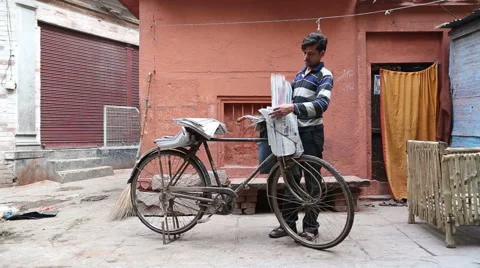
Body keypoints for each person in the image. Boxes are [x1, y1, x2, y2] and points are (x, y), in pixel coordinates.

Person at [267, 32, 333, 241]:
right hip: (293, 133)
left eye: (311, 54)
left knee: (312, 180)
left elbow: (321, 105)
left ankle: (311, 227)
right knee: (291, 178)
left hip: (311, 134)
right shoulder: (300, 74)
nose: (306, 57)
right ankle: (287, 225)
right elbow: (289, 102)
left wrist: (292, 107)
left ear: (322, 53)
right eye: (304, 53)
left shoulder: (325, 76)